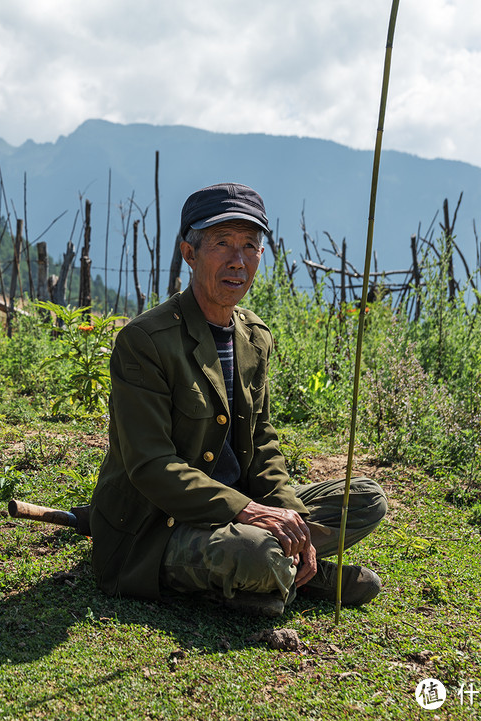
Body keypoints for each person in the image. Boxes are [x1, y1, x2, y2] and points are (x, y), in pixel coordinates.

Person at [88, 183, 387, 617]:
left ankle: (283, 567)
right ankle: (274, 571)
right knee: (258, 552)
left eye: (250, 246)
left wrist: (287, 516)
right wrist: (249, 511)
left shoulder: (254, 336)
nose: (238, 260)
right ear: (189, 253)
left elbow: (262, 441)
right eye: (222, 243)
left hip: (239, 509)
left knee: (366, 498)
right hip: (161, 523)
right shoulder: (146, 341)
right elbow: (150, 465)